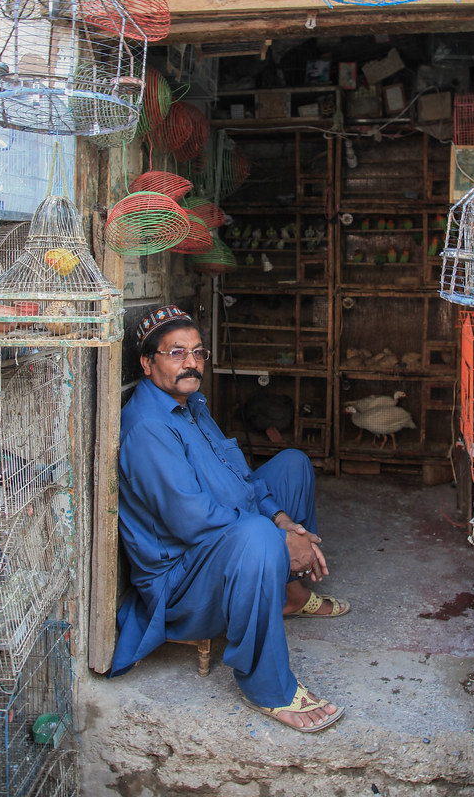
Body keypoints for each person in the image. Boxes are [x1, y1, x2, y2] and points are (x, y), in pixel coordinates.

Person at [110, 305, 350, 733]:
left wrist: (282, 519)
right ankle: (269, 687)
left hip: (220, 543)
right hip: (183, 585)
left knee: (292, 465)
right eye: (176, 353)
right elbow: (192, 522)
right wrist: (278, 538)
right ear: (147, 363)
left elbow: (241, 477)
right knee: (256, 534)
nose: (191, 363)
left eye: (198, 352)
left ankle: (289, 594)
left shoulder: (192, 405)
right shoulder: (148, 427)